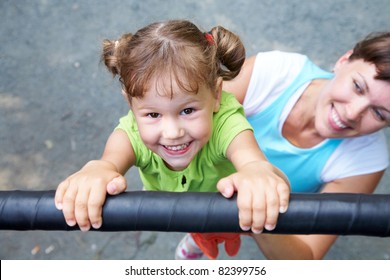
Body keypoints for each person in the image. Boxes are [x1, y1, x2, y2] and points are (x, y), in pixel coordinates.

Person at [54, 20, 290, 259]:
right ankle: (195, 239)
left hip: (227, 208)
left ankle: (201, 239)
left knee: (247, 218)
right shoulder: (131, 132)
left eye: (187, 111)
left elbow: (251, 160)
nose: (172, 132)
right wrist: (97, 171)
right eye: (153, 114)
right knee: (198, 230)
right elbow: (108, 162)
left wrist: (256, 172)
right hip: (184, 209)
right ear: (131, 105)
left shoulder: (226, 122)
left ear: (216, 95)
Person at [219, 31, 390, 259]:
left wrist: (259, 208)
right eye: (358, 86)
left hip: (254, 215)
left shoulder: (367, 159)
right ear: (343, 61)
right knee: (195, 228)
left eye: (379, 113)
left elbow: (306, 257)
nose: (351, 113)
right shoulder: (273, 72)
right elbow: (190, 119)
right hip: (198, 179)